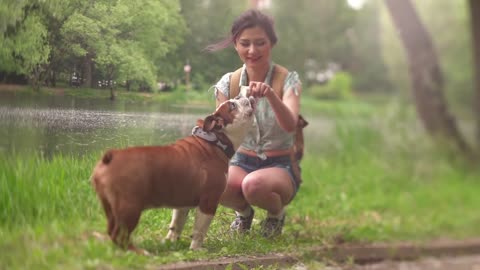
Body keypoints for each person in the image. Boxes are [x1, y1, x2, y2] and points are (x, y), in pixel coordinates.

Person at [206, 9, 303, 238]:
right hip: (241, 161)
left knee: (254, 185)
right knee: (212, 182)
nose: (252, 50)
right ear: (236, 46)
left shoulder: (288, 79)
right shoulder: (227, 84)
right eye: (245, 43)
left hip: (280, 166)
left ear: (272, 43)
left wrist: (271, 96)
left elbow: (290, 125)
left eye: (260, 43)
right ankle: (244, 213)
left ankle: (276, 216)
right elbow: (221, 135)